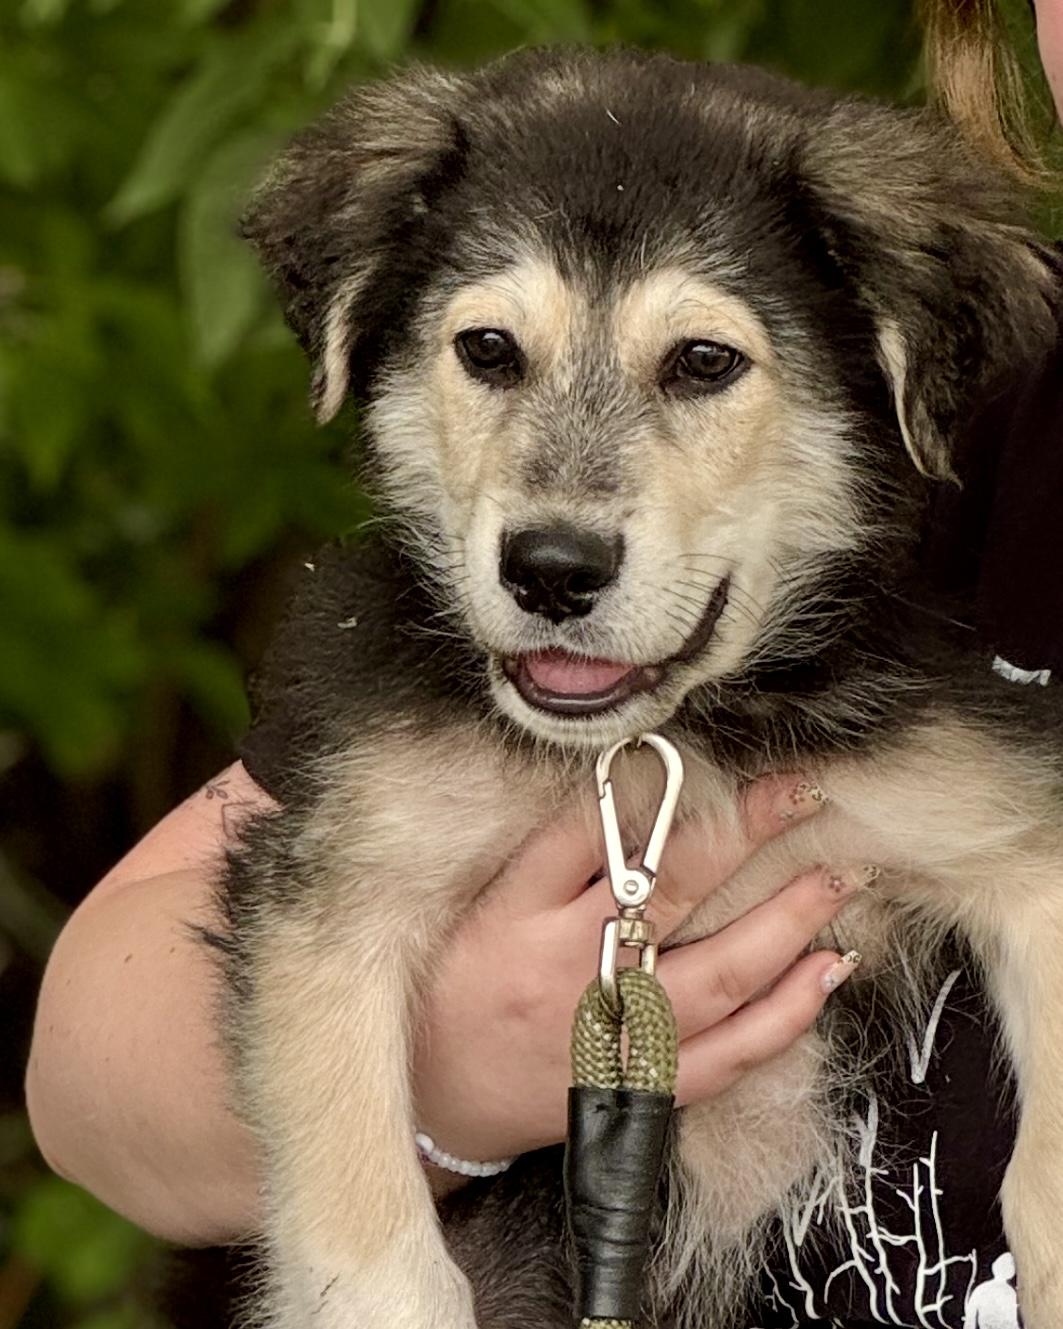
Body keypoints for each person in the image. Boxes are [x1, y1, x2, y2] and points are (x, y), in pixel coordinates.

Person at [24, 1, 1062, 1324]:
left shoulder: (911, 676)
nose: (560, 512)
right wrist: (447, 1089)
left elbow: (1034, 869)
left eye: (701, 364)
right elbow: (104, 1054)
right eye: (489, 353)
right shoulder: (413, 698)